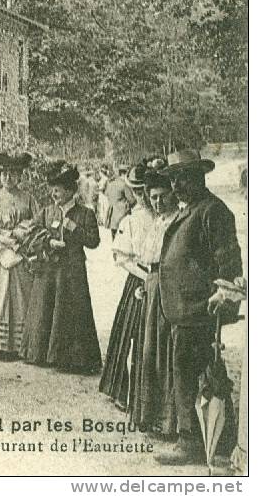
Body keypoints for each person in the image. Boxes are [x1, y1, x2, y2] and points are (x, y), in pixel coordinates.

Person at [154, 149, 243, 466]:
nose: (176, 186)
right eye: (174, 179)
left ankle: (192, 441)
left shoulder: (213, 212)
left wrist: (223, 298)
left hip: (200, 311)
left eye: (182, 178)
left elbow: (229, 264)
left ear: (199, 177)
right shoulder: (188, 210)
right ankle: (216, 438)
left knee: (198, 374)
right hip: (182, 309)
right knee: (192, 373)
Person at [20, 161, 101, 374]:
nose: (54, 194)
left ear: (70, 191)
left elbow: (94, 241)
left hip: (72, 271)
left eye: (58, 190)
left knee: (71, 310)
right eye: (52, 190)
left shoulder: (85, 213)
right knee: (45, 307)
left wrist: (73, 227)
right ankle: (41, 353)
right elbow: (32, 233)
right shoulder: (47, 212)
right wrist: (48, 242)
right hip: (48, 269)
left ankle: (72, 358)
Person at [99, 164, 153, 410]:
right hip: (139, 280)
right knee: (130, 334)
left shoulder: (165, 216)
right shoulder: (130, 221)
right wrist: (144, 276)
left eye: (146, 191)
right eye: (139, 192)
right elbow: (122, 258)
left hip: (158, 281)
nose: (143, 197)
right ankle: (123, 390)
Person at [0, 152, 39, 359]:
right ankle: (0, 345)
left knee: (20, 295)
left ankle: (21, 344)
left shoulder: (28, 198)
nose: (8, 178)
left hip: (20, 252)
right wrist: (4, 239)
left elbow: (36, 224)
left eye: (13, 174)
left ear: (20, 176)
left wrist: (21, 234)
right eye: (4, 174)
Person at [133, 171, 180, 438]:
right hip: (152, 285)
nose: (159, 203)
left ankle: (167, 420)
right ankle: (148, 416)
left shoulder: (176, 220)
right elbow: (146, 260)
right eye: (153, 198)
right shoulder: (156, 222)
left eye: (163, 197)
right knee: (149, 349)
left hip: (168, 287)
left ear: (172, 195)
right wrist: (145, 284)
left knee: (164, 349)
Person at [105, 165, 138, 239]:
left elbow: (107, 195)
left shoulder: (111, 184)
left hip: (112, 215)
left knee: (114, 238)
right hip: (123, 215)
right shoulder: (124, 184)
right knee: (123, 239)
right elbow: (132, 200)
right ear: (126, 173)